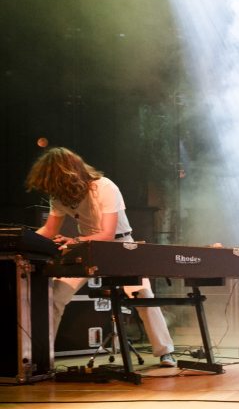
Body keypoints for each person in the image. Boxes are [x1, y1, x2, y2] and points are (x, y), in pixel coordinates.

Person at [25, 147, 177, 367]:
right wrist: (24, 239)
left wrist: (74, 241)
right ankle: (43, 358)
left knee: (142, 294)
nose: (53, 190)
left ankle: (165, 352)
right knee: (56, 296)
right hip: (87, 248)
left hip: (120, 247)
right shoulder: (59, 196)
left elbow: (107, 234)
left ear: (68, 175)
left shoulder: (104, 187)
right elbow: (49, 230)